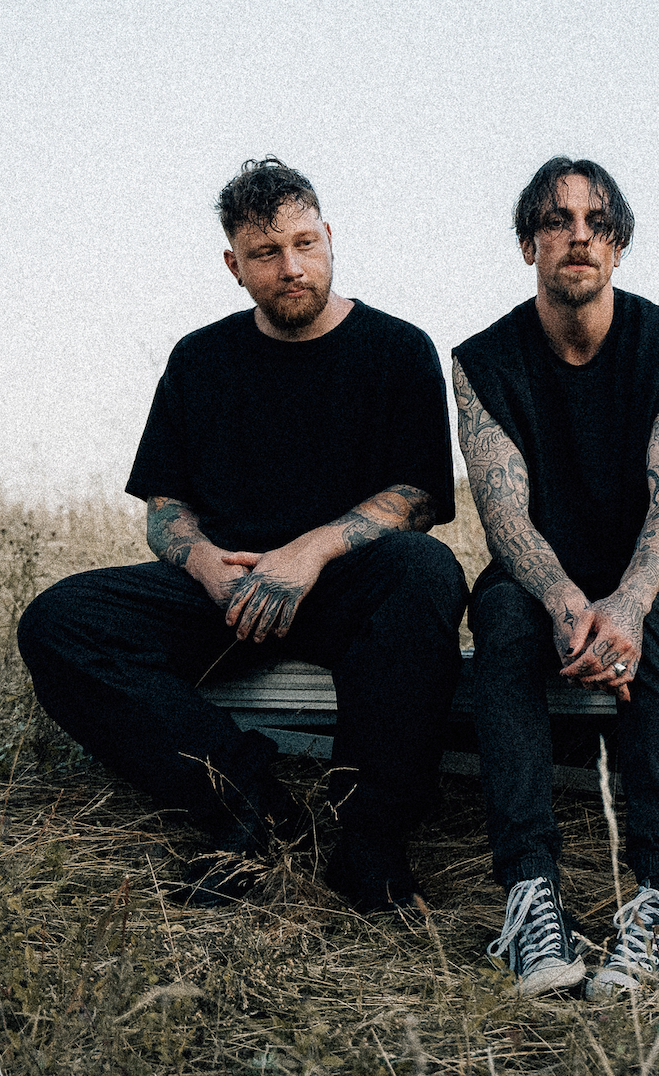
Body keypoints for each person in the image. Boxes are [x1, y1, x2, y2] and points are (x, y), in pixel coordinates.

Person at [17, 157, 467, 913]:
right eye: (266, 253)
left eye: (304, 243)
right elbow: (164, 504)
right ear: (235, 265)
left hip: (342, 584)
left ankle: (371, 847)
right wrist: (203, 564)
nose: (291, 267)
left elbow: (417, 497)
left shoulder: (397, 349)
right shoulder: (201, 359)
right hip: (222, 590)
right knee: (59, 622)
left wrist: (309, 552)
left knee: (425, 570)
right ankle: (251, 811)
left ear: (329, 237)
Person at [453, 157, 659, 998]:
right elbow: (504, 515)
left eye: (598, 224)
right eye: (557, 221)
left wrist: (628, 605)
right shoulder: (483, 360)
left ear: (620, 244)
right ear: (527, 241)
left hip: (655, 569)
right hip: (542, 573)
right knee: (503, 624)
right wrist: (565, 598)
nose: (578, 237)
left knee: (654, 637)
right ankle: (531, 895)